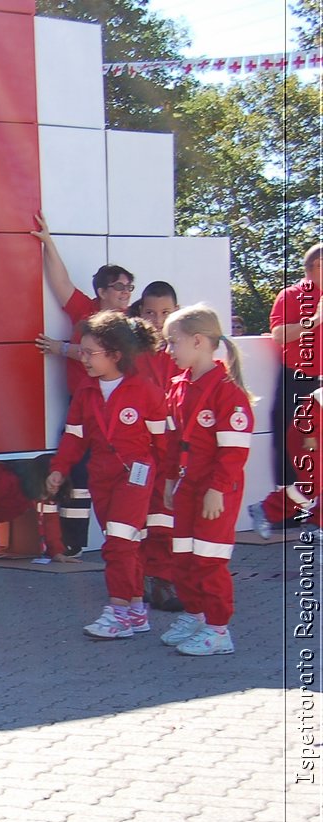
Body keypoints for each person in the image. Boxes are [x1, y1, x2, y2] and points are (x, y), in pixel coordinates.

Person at [44, 313, 169, 639]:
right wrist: (59, 469)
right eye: (81, 351)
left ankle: (118, 611)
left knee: (117, 543)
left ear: (115, 355)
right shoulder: (85, 392)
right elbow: (73, 437)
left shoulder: (146, 391)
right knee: (128, 544)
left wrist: (169, 483)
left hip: (137, 475)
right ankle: (137, 610)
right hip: (101, 476)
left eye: (90, 352)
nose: (82, 358)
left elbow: (164, 444)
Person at [32, 210, 135, 557]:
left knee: (110, 475)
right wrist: (48, 242)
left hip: (117, 412)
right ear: (102, 291)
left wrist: (65, 349)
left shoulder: (130, 326)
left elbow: (111, 355)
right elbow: (60, 282)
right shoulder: (85, 311)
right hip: (81, 404)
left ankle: (121, 545)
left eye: (129, 287)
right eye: (120, 287)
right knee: (73, 472)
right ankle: (72, 543)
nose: (126, 293)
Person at [158, 304, 253, 656]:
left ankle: (218, 630)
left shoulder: (227, 392)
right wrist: (169, 480)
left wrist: (216, 490)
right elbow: (172, 442)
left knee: (209, 560)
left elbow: (233, 452)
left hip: (215, 490)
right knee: (182, 556)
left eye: (172, 342)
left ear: (197, 341)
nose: (168, 350)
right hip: (186, 485)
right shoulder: (179, 386)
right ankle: (194, 615)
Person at [127, 280, 184, 610]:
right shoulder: (132, 353)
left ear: (177, 311)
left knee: (166, 517)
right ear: (140, 312)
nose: (158, 319)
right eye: (150, 312)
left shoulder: (186, 349)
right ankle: (140, 580)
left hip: (174, 452)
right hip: (139, 451)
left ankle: (163, 580)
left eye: (165, 312)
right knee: (138, 519)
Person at [269, 244, 321, 485]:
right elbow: (279, 334)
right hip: (297, 379)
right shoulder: (290, 295)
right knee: (288, 442)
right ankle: (287, 509)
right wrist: (315, 321)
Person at [249, 386, 320, 538]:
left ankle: (316, 525)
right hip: (309, 437)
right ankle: (265, 509)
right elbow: (311, 405)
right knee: (312, 484)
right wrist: (309, 433)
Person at [0, 456, 63, 560]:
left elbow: (50, 519)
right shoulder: (5, 478)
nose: (55, 488)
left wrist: (56, 552)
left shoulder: (42, 489)